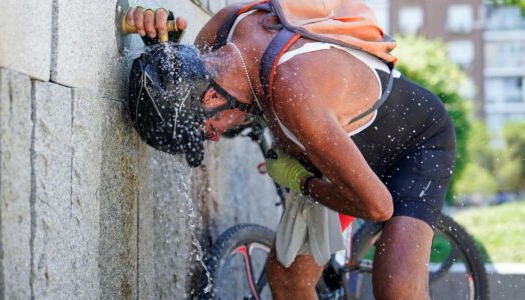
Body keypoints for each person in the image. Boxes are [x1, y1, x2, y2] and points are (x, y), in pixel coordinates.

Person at [125, 1, 455, 299]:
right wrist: (161, 50)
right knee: (287, 280)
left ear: (211, 99)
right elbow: (184, 78)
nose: (214, 138)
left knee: (396, 288)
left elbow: (378, 206)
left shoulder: (294, 93)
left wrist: (300, 181)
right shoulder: (224, 30)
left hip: (415, 143)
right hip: (334, 156)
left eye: (208, 130)